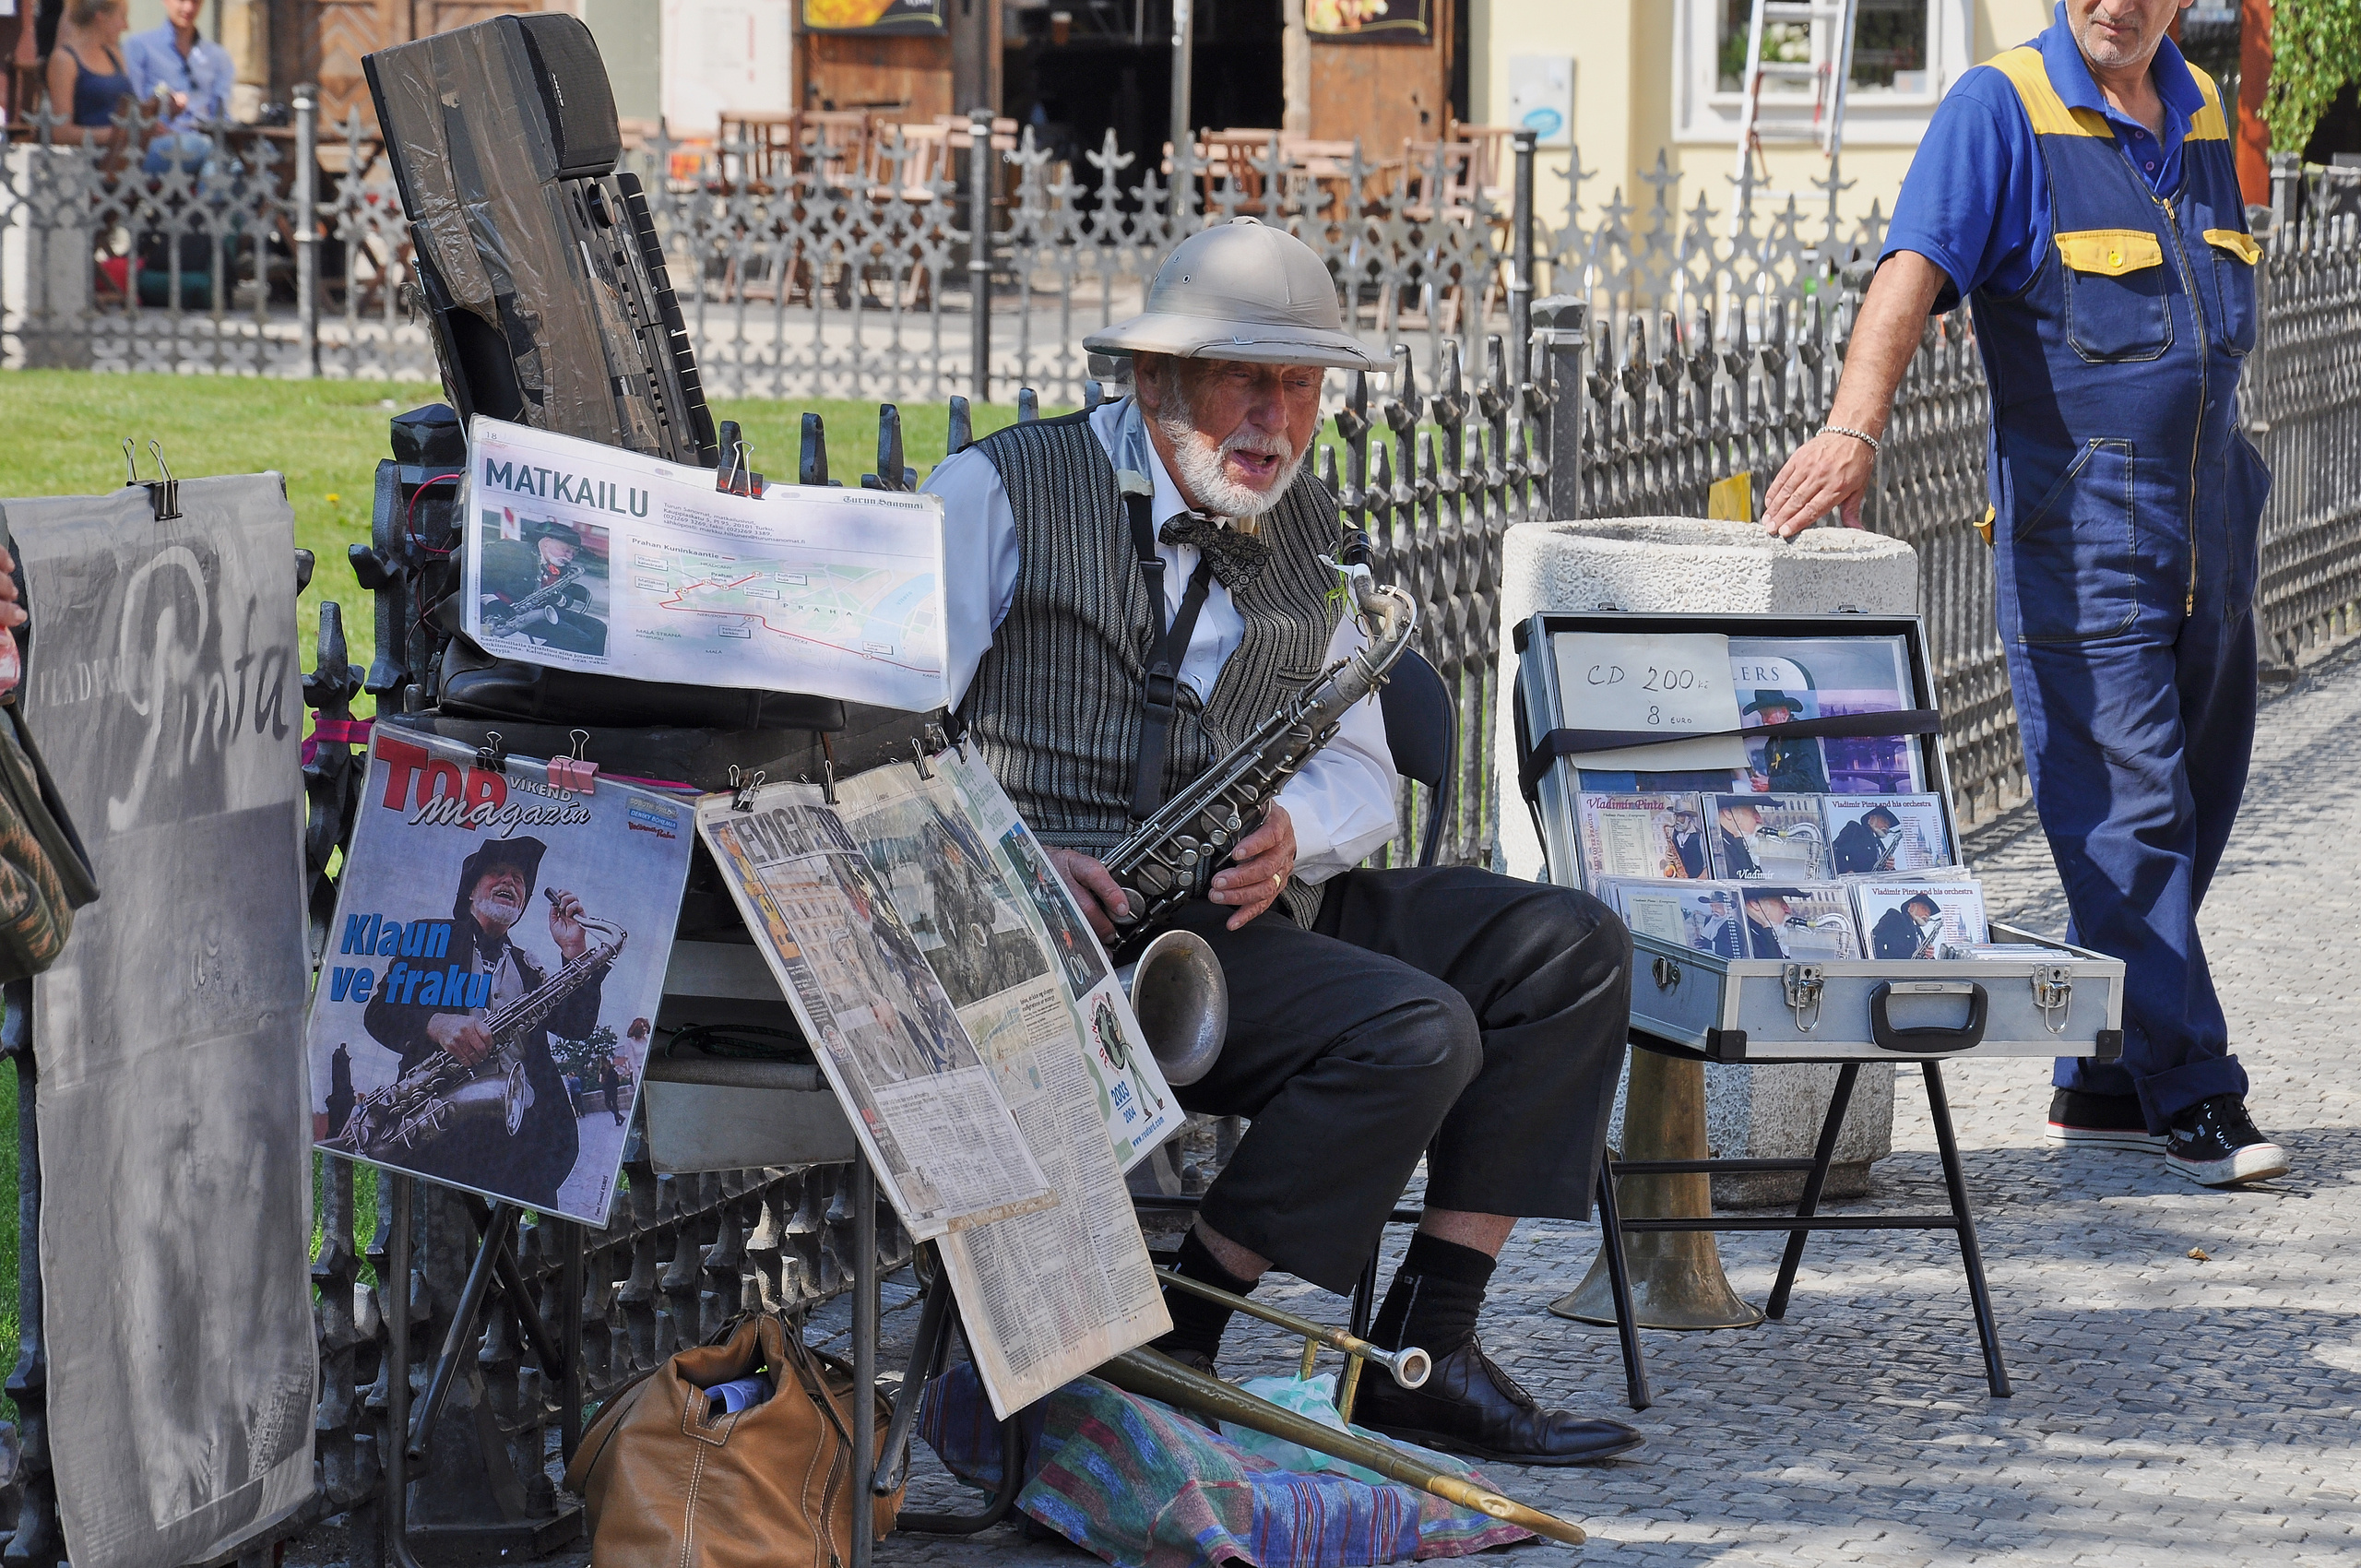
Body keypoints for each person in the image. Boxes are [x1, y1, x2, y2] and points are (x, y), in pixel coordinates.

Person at [924, 217, 1642, 1467]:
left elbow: (1362, 765)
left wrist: (1294, 827)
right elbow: (885, 734)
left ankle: (1430, 1342)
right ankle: (1184, 1343)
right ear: (1152, 378)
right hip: (1061, 928)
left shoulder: (1313, 537)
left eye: (1301, 385)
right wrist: (1014, 855)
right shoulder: (995, 492)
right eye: (1242, 379)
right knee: (1414, 1033)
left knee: (1568, 945)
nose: (1275, 418)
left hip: (1250, 910)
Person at [1759, 0, 2285, 1188]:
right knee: (2124, 810)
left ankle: (2102, 1078)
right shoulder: (1999, 107)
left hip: (2213, 518)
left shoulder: (2199, 108)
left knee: (2199, 794)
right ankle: (2195, 1089)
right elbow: (1915, 265)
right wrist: (1854, 425)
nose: (2116, 5)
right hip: (2083, 531)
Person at [361, 836, 600, 1208]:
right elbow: (378, 1014)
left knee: (520, 1259)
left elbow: (578, 1025)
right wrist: (435, 1023)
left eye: (519, 879)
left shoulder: (529, 964)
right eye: (497, 873)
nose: (510, 882)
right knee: (448, 1248)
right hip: (444, 1128)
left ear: (522, 904)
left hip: (526, 1134)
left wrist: (573, 953)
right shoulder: (431, 936)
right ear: (470, 891)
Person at [123, 0, 230, 172]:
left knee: (240, 159)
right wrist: (161, 108)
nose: (188, 8)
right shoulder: (139, 46)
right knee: (210, 150)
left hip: (206, 140)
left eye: (195, 1)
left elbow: (222, 113)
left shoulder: (217, 57)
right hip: (155, 144)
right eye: (181, 0)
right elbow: (133, 105)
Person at [43, 0, 132, 147]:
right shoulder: (65, 60)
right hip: (88, 156)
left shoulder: (114, 54)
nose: (126, 26)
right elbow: (61, 133)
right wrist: (119, 134)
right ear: (101, 17)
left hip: (123, 154)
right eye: (122, 17)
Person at [1743, 690, 1829, 793]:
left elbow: (1808, 778)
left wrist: (1771, 783)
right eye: (1761, 715)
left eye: (1766, 714)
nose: (1763, 720)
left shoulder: (1803, 736)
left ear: (1783, 712)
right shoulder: (1771, 745)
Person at [1870, 892, 1944, 961]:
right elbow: (1875, 938)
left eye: (1929, 913)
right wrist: (1888, 966)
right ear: (1911, 907)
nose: (1927, 914)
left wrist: (1930, 956)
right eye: (1924, 909)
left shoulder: (1921, 934)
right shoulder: (1895, 917)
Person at [1833, 804, 1904, 875]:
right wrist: (1847, 871)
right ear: (1872, 819)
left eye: (1889, 824)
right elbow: (1836, 850)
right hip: (1855, 882)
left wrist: (1890, 868)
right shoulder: (1856, 829)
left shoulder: (1882, 847)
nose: (1887, 826)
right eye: (1884, 821)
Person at [1714, 801, 1764, 878]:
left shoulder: (1735, 846)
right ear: (1728, 812)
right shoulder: (1716, 851)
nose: (1759, 819)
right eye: (1752, 811)